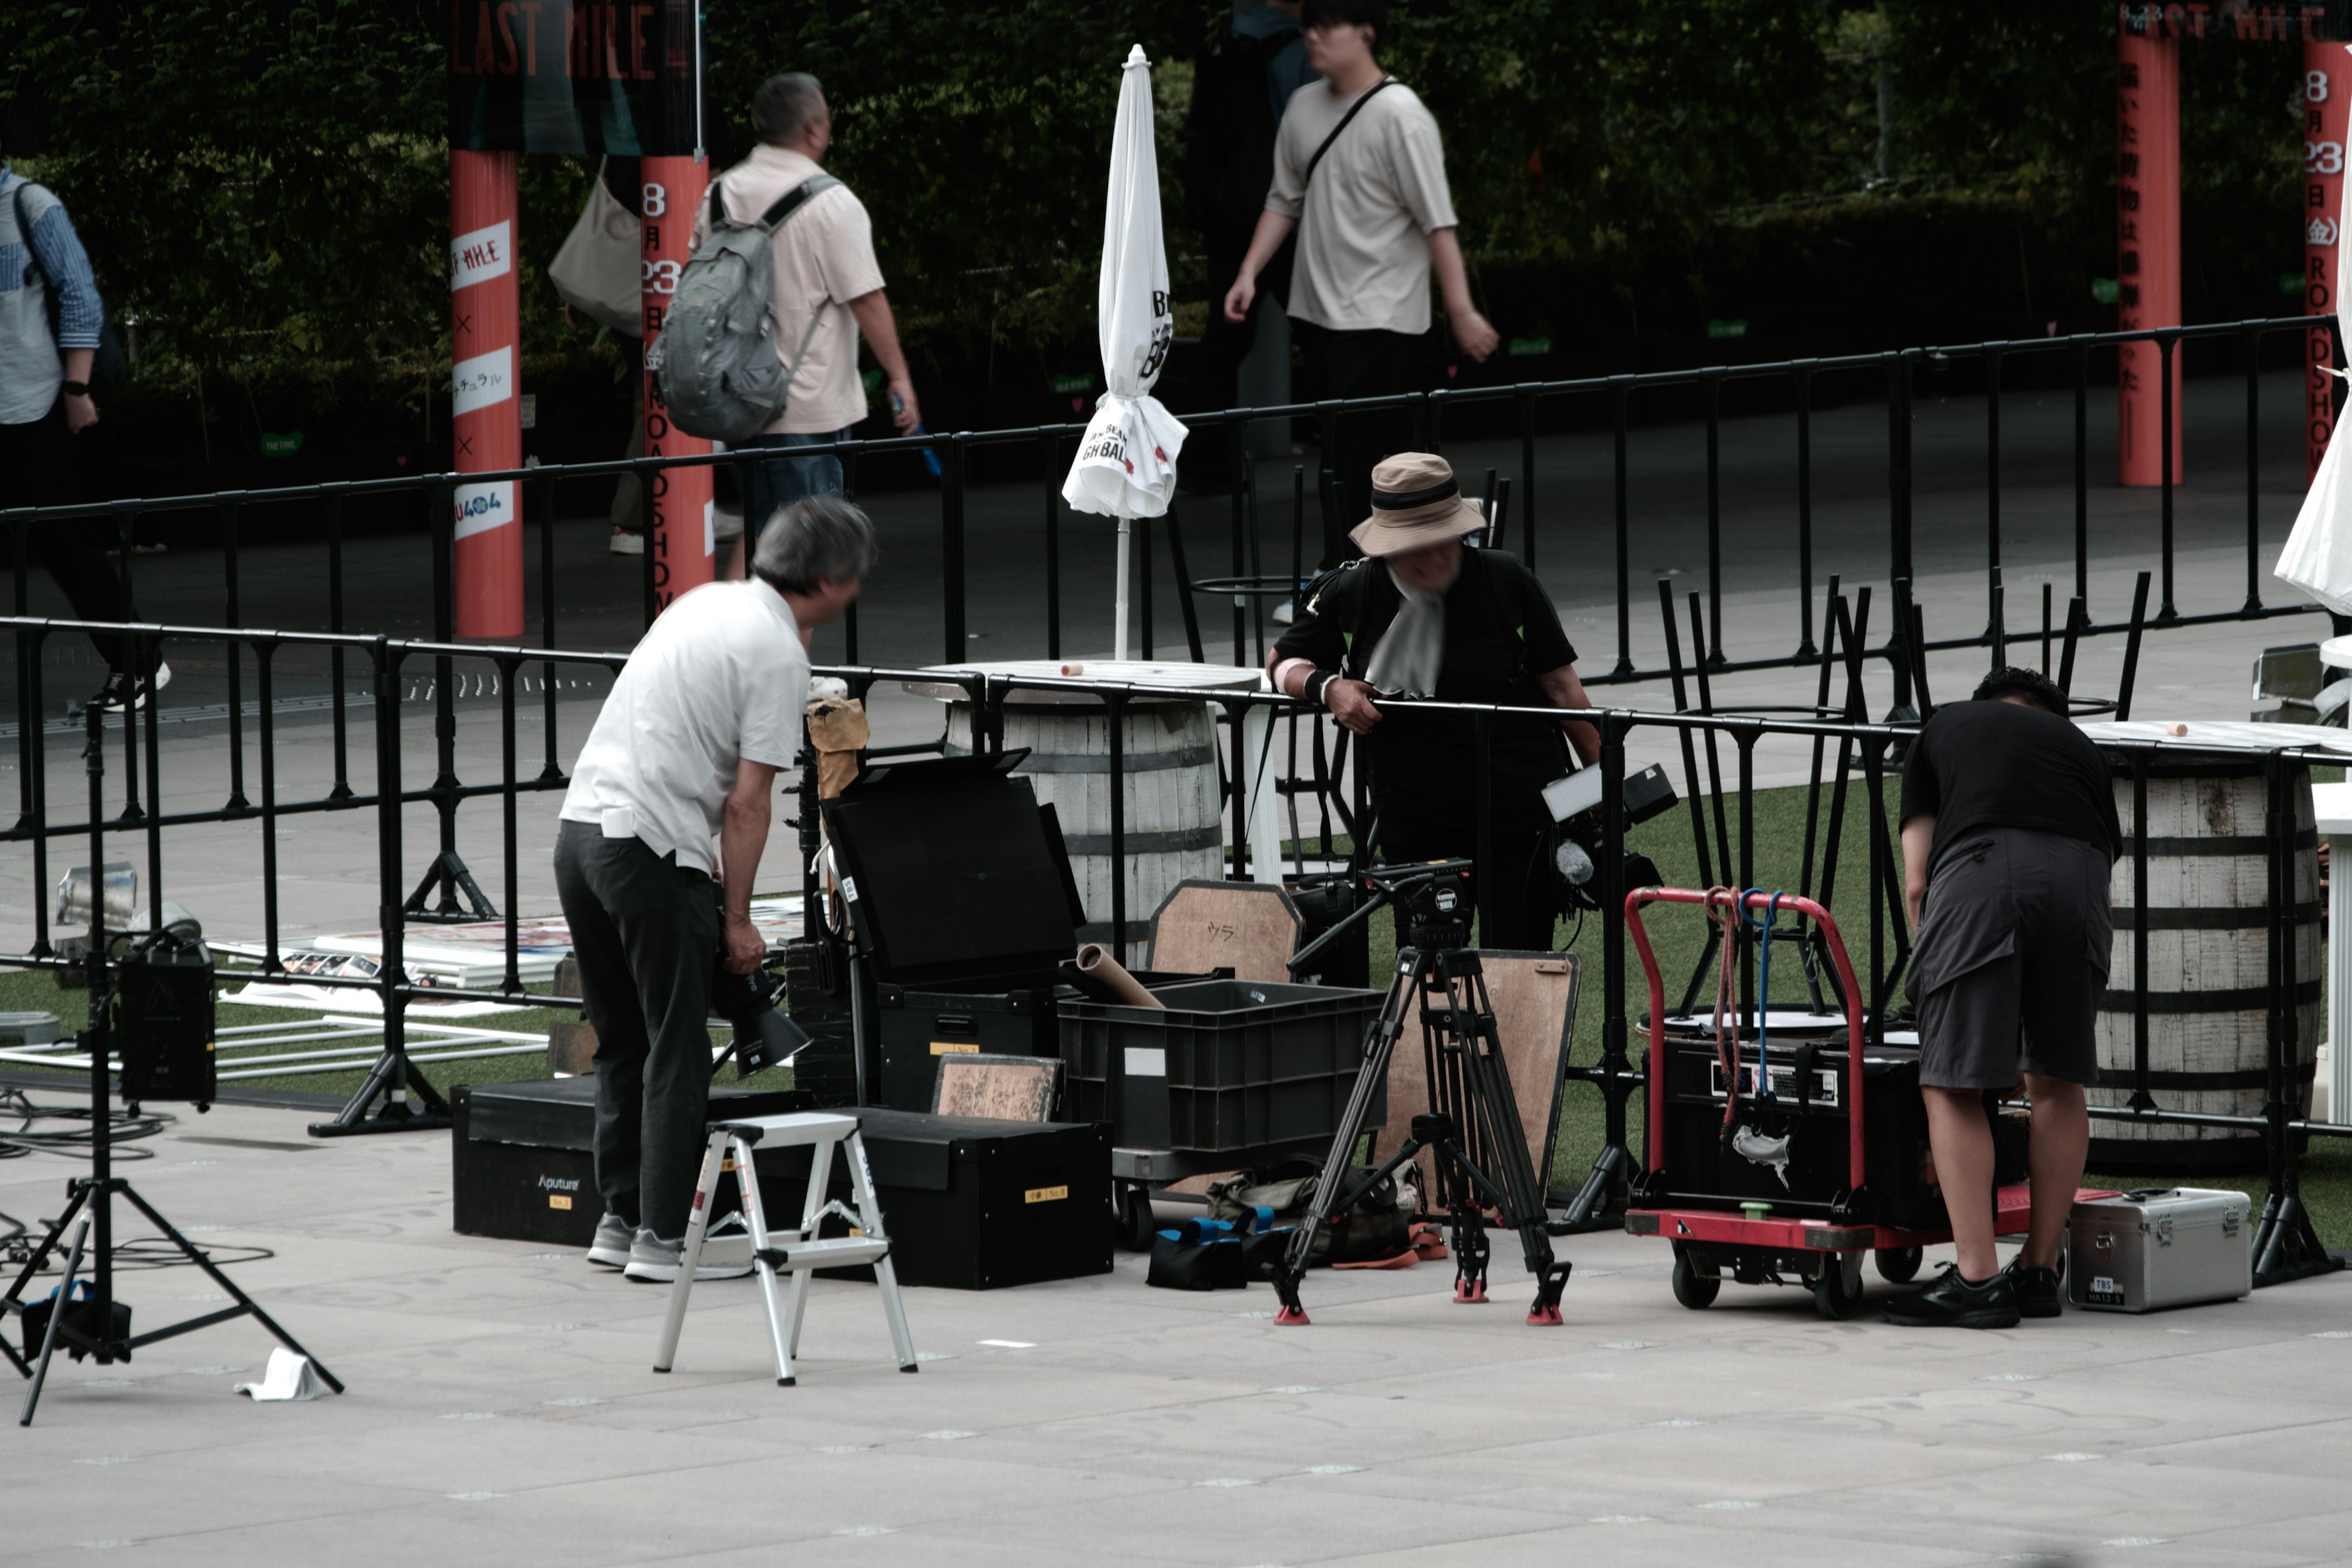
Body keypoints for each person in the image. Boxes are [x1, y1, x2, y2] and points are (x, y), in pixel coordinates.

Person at [554, 496, 876, 1284]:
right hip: (651, 849)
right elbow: (748, 802)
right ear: (833, 579)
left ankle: (620, 1218)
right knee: (677, 1047)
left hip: (580, 836)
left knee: (624, 1036)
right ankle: (666, 1240)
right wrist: (737, 920)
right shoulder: (775, 652)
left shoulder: (704, 601)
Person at [1267, 452, 1596, 951]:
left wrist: (1603, 782)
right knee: (1429, 972)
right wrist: (1329, 688)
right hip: (1414, 818)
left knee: (1522, 964)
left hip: (1519, 811)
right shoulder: (1353, 590)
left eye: (1444, 541)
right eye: (1411, 547)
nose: (1432, 559)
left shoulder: (1506, 580)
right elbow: (1279, 664)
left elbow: (1562, 688)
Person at [1221, 0, 1499, 572]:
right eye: (1307, 28)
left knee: (1366, 458)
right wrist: (1248, 273)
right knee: (1349, 455)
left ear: (1366, 32)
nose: (1312, 39)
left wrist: (1462, 309)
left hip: (1384, 318)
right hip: (1319, 316)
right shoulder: (1302, 107)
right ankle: (1394, 567)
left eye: (1327, 27)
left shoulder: (1401, 114)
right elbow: (1283, 199)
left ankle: (1353, 575)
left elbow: (1437, 222)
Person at [1889, 666, 2120, 1329]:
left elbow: (1917, 879)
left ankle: (1976, 1276)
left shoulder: (1946, 727)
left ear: (1986, 703)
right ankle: (2040, 1271)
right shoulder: (2080, 747)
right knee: (2057, 1081)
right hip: (2082, 881)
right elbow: (2104, 855)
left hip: (1984, 868)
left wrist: (1937, 972)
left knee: (1953, 1083)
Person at [698, 73, 919, 549]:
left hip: (738, 406)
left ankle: (750, 626)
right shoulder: (831, 203)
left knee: (763, 548)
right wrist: (898, 377)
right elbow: (866, 298)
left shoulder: (717, 195)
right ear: (816, 131)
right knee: (809, 560)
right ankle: (783, 629)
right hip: (805, 409)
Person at [0, 139, 164, 706]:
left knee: (64, 543)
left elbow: (78, 295)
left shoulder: (31, 205)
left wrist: (76, 386)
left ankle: (138, 664)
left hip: (36, 403)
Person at [1181, 1, 1315, 484]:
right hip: (1283, 214)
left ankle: (1202, 458)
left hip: (1230, 215)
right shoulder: (1298, 52)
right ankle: (1353, 444)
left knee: (1225, 336)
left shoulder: (1225, 45)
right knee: (1322, 333)